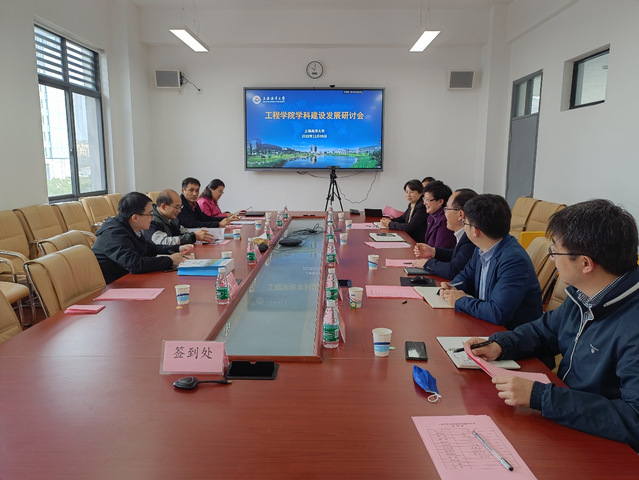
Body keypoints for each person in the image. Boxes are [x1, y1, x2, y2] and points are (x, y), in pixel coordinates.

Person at [467, 199, 639, 451]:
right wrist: (500, 344)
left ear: (585, 263)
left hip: (604, 447)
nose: (552, 259)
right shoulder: (585, 294)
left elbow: (634, 419)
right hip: (568, 419)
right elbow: (543, 330)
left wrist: (542, 397)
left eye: (555, 252)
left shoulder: (632, 324)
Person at [440, 194, 542, 330]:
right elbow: (466, 276)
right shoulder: (482, 248)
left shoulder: (513, 260)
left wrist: (460, 300)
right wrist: (453, 287)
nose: (463, 227)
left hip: (510, 333)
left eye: (464, 223)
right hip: (484, 322)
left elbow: (497, 312)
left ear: (475, 230)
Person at [92, 192, 193, 284]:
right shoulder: (113, 234)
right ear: (135, 218)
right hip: (113, 285)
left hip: (128, 279)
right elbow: (135, 264)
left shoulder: (130, 227)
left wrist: (178, 248)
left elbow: (150, 248)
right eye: (150, 214)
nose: (152, 218)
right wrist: (170, 260)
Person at [413, 188, 477, 279]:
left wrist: (428, 263)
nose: (444, 213)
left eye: (446, 209)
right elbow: (458, 255)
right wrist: (433, 251)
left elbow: (454, 270)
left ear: (460, 214)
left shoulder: (471, 238)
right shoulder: (464, 235)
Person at [144, 189, 215, 245]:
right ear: (164, 206)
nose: (179, 211)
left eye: (180, 207)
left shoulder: (171, 217)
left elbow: (181, 230)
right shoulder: (151, 221)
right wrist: (193, 236)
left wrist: (198, 231)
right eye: (177, 207)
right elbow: (163, 241)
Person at [422, 180, 456, 249]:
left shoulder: (446, 220)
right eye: (424, 199)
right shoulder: (431, 217)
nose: (424, 203)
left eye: (427, 199)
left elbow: (441, 249)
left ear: (440, 201)